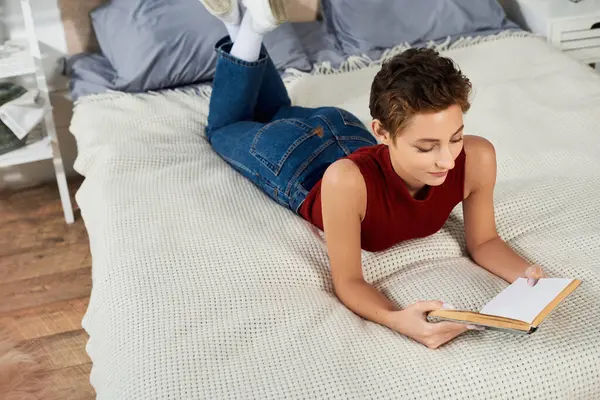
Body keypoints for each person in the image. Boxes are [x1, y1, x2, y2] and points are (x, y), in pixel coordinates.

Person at [199, 0, 546, 349]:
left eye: (454, 138)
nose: (447, 160)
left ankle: (247, 25)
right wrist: (399, 319)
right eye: (426, 147)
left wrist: (529, 277)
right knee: (224, 128)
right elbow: (349, 281)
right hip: (299, 158)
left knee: (279, 108)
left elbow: (484, 242)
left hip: (347, 131)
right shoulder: (345, 184)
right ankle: (245, 29)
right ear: (382, 132)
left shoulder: (477, 157)